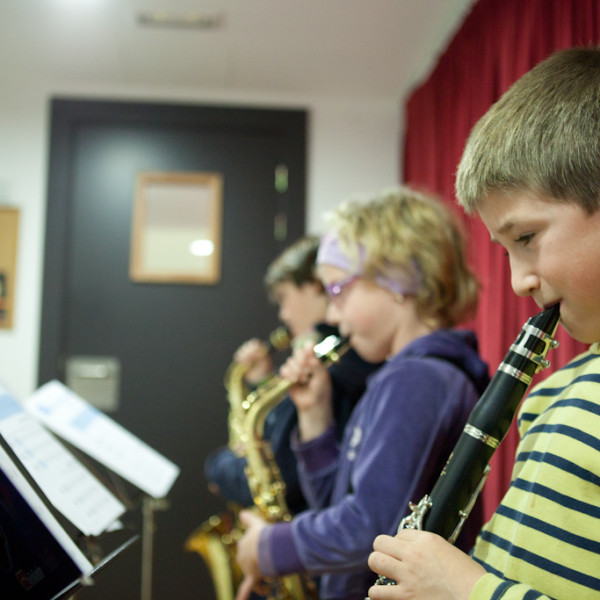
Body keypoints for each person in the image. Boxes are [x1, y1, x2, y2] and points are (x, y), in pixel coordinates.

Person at [367, 47, 600, 600]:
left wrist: (463, 589)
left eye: (526, 238)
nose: (520, 282)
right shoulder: (556, 391)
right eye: (505, 251)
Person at [235, 186, 490, 600]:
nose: (332, 315)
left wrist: (269, 547)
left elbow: (368, 529)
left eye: (338, 291)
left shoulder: (417, 380)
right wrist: (316, 417)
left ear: (399, 280)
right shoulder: (402, 374)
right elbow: (341, 501)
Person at [204, 235, 379, 515]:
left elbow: (285, 471)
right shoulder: (329, 356)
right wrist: (263, 380)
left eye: (284, 298)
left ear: (312, 285)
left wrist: (218, 466)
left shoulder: (338, 363)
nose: (283, 315)